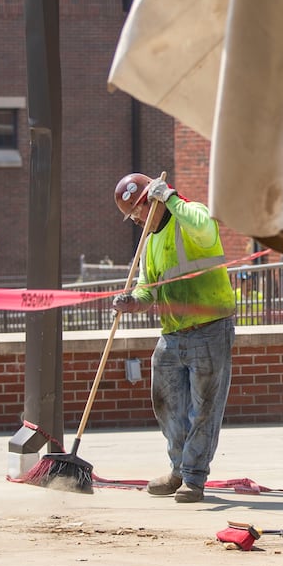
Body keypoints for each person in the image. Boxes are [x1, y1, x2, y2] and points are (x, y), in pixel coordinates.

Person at [112, 172, 237, 503]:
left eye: (138, 211)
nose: (136, 220)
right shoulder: (151, 242)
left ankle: (194, 479)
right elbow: (146, 290)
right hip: (173, 334)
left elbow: (205, 226)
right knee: (168, 404)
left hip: (210, 327)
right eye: (132, 215)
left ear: (152, 201)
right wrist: (131, 303)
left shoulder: (187, 217)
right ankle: (178, 469)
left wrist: (169, 196)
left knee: (205, 408)